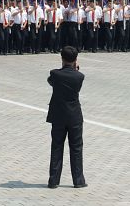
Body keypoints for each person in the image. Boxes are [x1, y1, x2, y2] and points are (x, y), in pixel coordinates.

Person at [46, 45, 86, 189]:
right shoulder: (79, 76)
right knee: (76, 148)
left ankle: (53, 180)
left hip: (58, 115)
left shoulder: (55, 74)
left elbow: (50, 81)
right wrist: (75, 69)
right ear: (76, 60)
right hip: (74, 115)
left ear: (62, 58)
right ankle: (78, 180)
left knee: (56, 146)